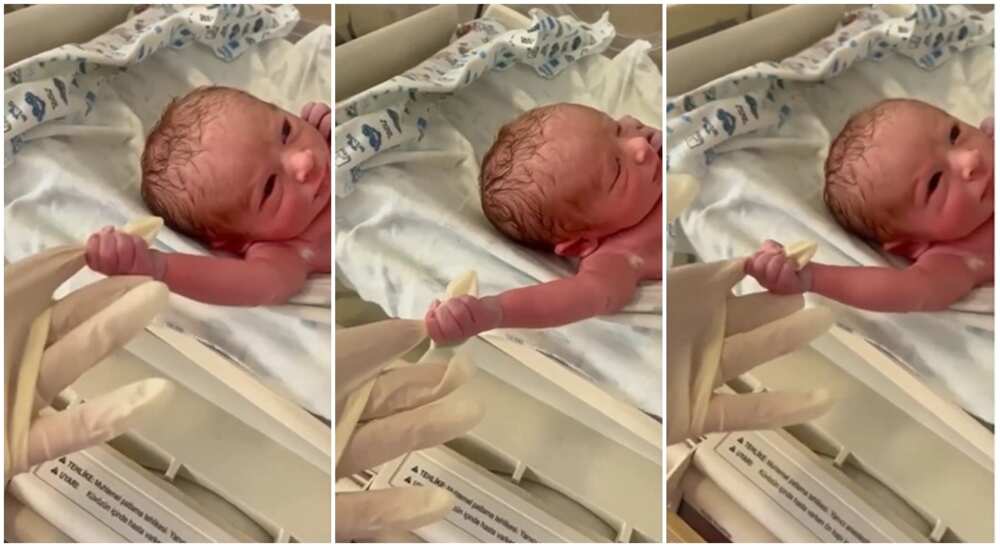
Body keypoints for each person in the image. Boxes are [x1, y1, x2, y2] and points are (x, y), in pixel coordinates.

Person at [424, 103, 662, 343]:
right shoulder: (620, 256)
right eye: (618, 170)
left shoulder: (649, 147)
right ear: (581, 244)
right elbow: (580, 296)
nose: (639, 145)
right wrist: (493, 312)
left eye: (617, 129)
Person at [84, 86, 332, 306]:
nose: (305, 160)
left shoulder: (321, 146)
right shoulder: (288, 251)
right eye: (269, 188)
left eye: (285, 132)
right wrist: (157, 267)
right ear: (236, 240)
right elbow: (258, 285)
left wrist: (327, 127)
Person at [748, 98, 994, 312]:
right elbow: (906, 291)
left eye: (954, 134)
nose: (970, 158)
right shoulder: (959, 257)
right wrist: (812, 277)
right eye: (934, 183)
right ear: (912, 244)